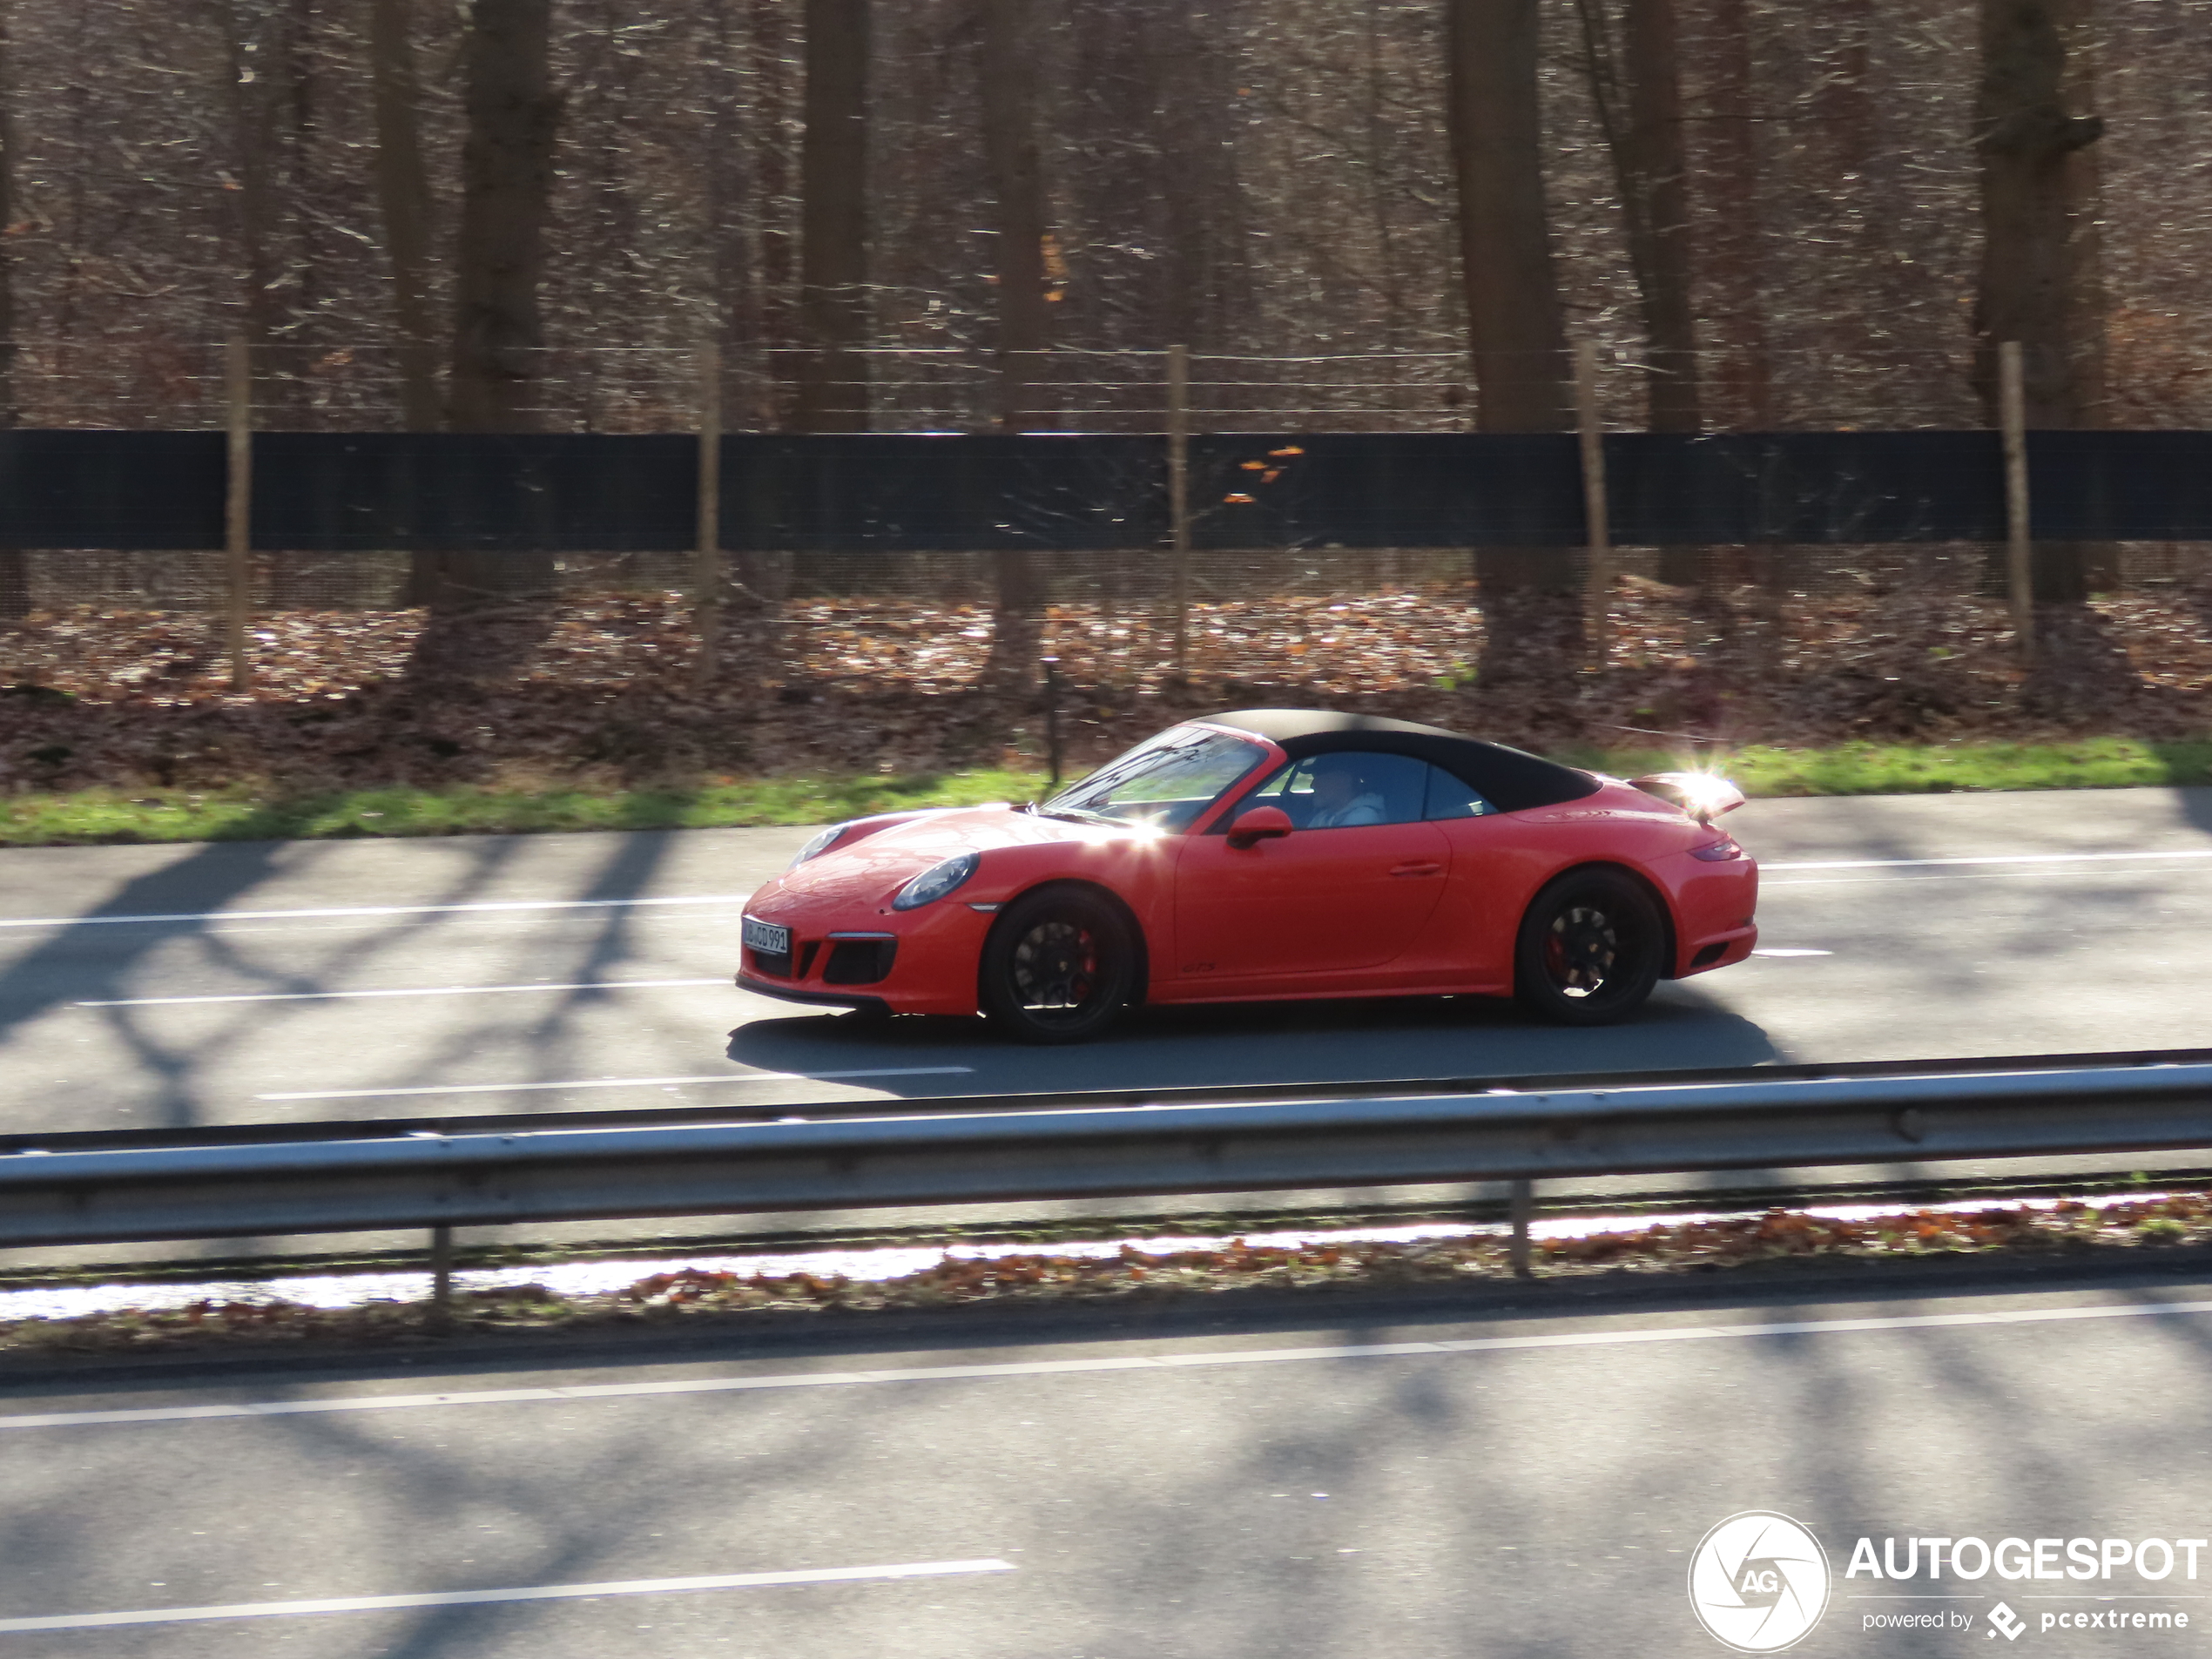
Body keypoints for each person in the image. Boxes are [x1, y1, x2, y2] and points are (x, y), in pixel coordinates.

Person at [1305, 754, 1386, 827]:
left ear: (1344, 781)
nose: (1313, 785)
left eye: (1322, 779)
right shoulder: (1324, 816)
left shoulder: (1362, 818)